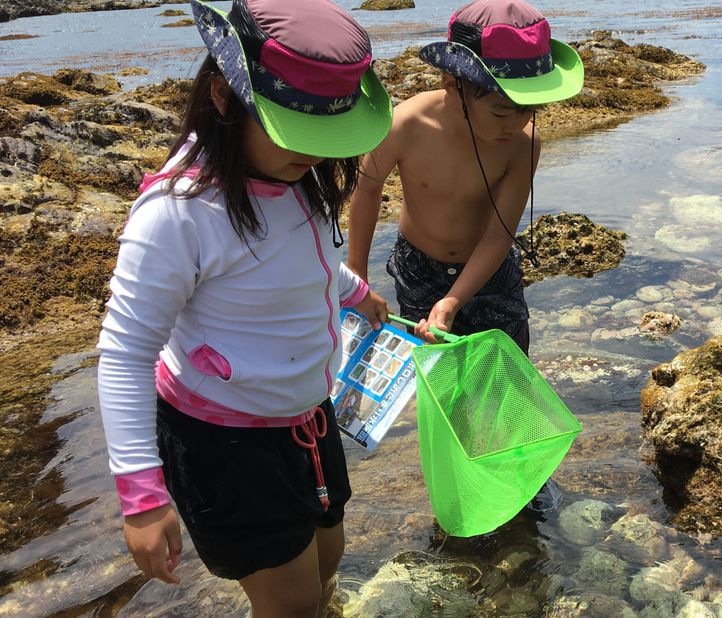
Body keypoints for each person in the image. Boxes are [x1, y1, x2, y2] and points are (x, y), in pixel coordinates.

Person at [96, 0, 392, 615]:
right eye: (295, 135)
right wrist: (142, 496)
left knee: (327, 563)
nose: (312, 154)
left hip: (307, 421)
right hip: (224, 443)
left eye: (325, 137)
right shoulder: (179, 213)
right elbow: (125, 354)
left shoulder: (296, 178)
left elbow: (297, 266)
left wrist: (355, 293)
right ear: (225, 98)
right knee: (289, 602)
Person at [346, 0, 584, 356]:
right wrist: (357, 282)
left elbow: (499, 234)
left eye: (529, 109)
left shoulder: (524, 143)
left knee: (507, 364)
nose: (516, 123)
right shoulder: (405, 125)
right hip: (419, 268)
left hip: (490, 266)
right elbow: (366, 191)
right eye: (502, 110)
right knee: (438, 367)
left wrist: (454, 299)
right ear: (452, 84)